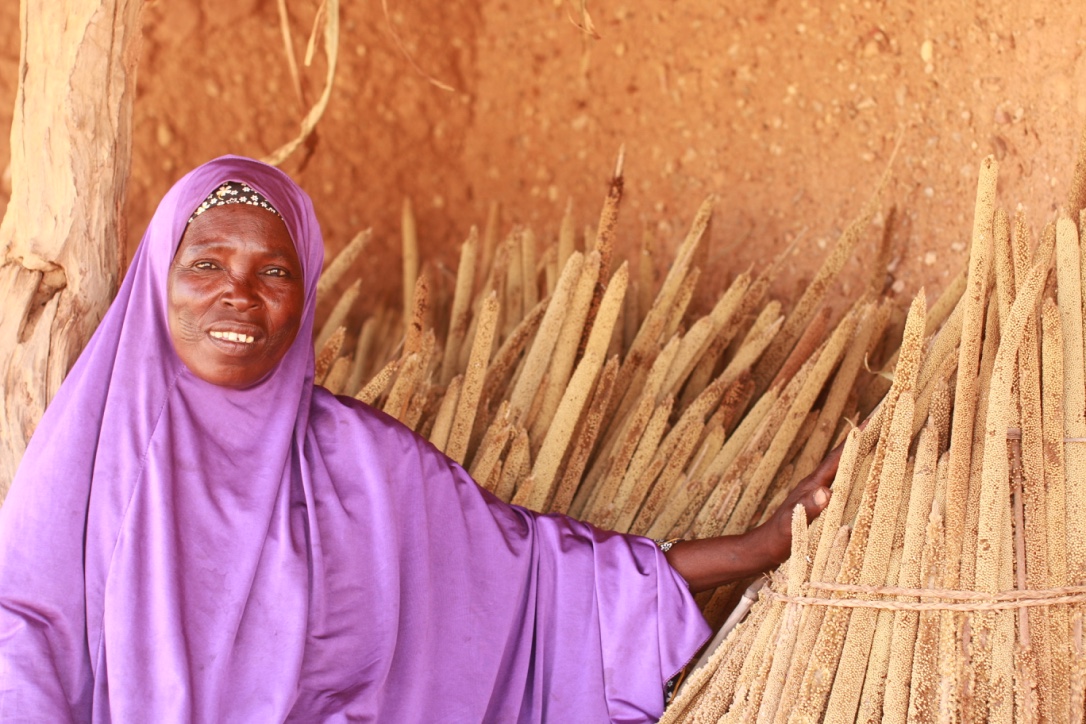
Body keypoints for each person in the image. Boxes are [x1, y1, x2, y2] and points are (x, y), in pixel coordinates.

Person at [0, 156, 836, 722]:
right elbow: (21, 637)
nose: (240, 297)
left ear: (306, 296)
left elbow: (540, 584)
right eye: (207, 265)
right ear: (158, 280)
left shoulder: (362, 467)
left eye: (275, 272)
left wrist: (757, 546)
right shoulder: (91, 458)